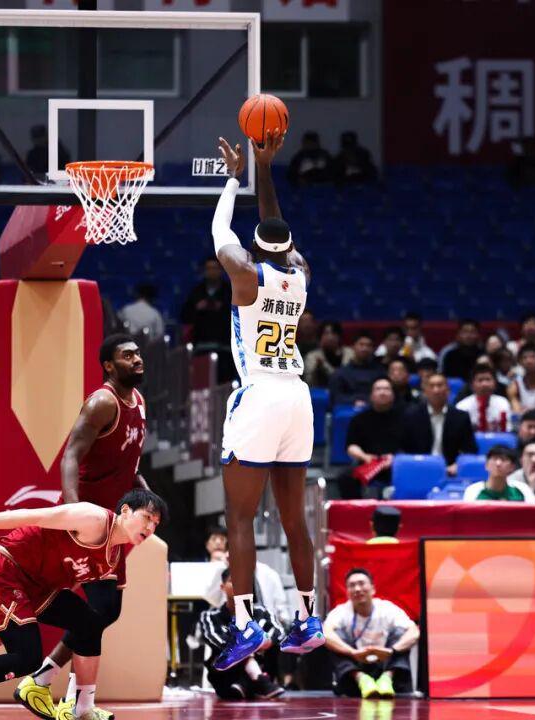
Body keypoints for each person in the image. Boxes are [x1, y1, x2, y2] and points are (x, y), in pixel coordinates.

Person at [209, 131, 323, 671]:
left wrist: (235, 178)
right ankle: (307, 617)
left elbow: (220, 232)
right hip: (298, 397)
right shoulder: (300, 274)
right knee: (294, 519)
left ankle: (244, 623)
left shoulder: (244, 273)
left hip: (258, 393)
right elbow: (275, 227)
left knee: (240, 517)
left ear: (255, 248)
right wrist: (266, 169)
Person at [0, 489, 166, 720]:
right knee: (27, 658)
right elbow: (29, 515)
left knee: (89, 623)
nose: (150, 527)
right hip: (4, 572)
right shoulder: (92, 518)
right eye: (147, 517)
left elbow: (69, 581)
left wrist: (8, 627)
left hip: (36, 588)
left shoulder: (113, 556)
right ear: (125, 510)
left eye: (156, 523)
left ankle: (82, 708)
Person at [13, 334, 149, 720]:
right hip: (89, 522)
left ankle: (44, 683)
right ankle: (70, 699)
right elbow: (70, 455)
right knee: (97, 609)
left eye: (138, 353)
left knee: (107, 610)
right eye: (127, 355)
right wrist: (74, 510)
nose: (137, 359)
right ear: (109, 365)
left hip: (115, 523)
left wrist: (146, 497)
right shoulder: (102, 403)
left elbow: (128, 465)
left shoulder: (139, 402)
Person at [322, 568, 418, 699]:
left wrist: (392, 651)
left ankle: (386, 679)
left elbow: (414, 632)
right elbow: (325, 634)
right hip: (355, 671)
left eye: (361, 584)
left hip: (386, 665)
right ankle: (363, 680)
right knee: (334, 635)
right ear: (347, 592)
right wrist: (352, 652)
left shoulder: (387, 608)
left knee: (402, 632)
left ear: (373, 589)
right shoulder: (341, 611)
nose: (357, 589)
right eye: (352, 585)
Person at [196, 568, 284, 700]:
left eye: (243, 582)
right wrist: (250, 645)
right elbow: (216, 640)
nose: (238, 586)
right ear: (222, 587)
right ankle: (258, 680)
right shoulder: (210, 616)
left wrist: (265, 642)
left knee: (270, 645)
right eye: (233, 581)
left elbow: (278, 632)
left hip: (263, 666)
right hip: (227, 678)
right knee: (231, 650)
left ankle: (245, 684)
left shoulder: (263, 612)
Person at [401, 372, 478, 476]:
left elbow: (470, 449)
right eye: (432, 386)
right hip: (419, 468)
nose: (436, 390)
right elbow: (403, 448)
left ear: (448, 390)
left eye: (440, 385)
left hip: (449, 470)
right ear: (425, 391)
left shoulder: (461, 417)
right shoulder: (411, 416)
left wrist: (458, 465)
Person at [342, 379, 405, 499]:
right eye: (378, 389)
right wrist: (365, 457)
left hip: (396, 464)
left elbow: (411, 447)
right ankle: (359, 509)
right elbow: (351, 446)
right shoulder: (359, 419)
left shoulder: (405, 418)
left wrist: (395, 459)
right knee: (346, 477)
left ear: (393, 395)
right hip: (368, 463)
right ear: (371, 395)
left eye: (386, 389)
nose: (382, 392)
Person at [180, 258, 233, 378]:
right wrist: (197, 308)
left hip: (224, 347)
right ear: (204, 271)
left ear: (221, 270)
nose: (212, 271)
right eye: (209, 268)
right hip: (201, 346)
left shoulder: (229, 291)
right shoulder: (196, 292)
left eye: (215, 268)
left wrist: (222, 308)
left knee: (224, 381)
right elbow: (184, 316)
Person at [329, 332, 386, 407]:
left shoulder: (380, 373)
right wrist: (354, 401)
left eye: (368, 345)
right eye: (361, 345)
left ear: (373, 349)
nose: (365, 349)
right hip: (347, 410)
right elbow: (335, 397)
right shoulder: (340, 373)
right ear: (353, 347)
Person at [456, 363, 512, 432]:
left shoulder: (502, 402)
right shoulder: (462, 407)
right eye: (480, 380)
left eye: (488, 379)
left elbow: (508, 430)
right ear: (472, 385)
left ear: (495, 383)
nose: (484, 384)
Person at [463, 446, 530, 501]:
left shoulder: (522, 490)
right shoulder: (473, 491)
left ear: (512, 467)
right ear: (486, 465)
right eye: (494, 459)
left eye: (503, 459)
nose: (498, 463)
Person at [303, 321, 353, 388]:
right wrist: (316, 370)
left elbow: (348, 379)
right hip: (319, 392)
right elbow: (308, 382)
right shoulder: (312, 356)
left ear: (339, 336)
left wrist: (324, 366)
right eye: (326, 333)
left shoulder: (350, 353)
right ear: (320, 337)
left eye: (333, 333)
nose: (330, 337)